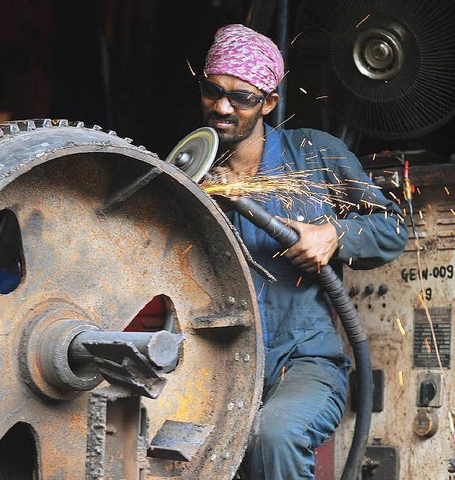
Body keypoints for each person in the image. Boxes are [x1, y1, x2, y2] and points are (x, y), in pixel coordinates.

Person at [198, 24, 408, 479]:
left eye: (242, 97)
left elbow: (391, 228)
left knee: (275, 434)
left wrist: (333, 235)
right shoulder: (188, 171)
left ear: (269, 103)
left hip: (304, 362)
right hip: (215, 362)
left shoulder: (314, 154)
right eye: (212, 91)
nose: (222, 106)